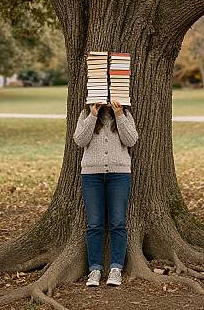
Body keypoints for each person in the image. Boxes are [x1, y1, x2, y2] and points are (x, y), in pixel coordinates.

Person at [73, 100, 138, 287]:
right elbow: (80, 140)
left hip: (120, 175)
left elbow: (131, 140)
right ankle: (94, 269)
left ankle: (116, 268)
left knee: (118, 222)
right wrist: (93, 115)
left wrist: (119, 116)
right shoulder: (86, 114)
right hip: (91, 176)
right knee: (94, 224)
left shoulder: (125, 115)